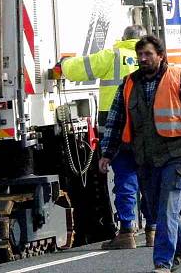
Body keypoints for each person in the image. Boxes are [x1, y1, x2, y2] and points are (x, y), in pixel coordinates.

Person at [99, 35, 181, 273]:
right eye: (140, 55)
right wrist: (107, 153)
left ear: (161, 55)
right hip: (145, 157)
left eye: (148, 54)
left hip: (175, 155)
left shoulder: (178, 79)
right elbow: (115, 121)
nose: (143, 59)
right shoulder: (128, 84)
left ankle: (162, 262)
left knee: (167, 207)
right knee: (154, 208)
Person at [53, 24, 154, 249]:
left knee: (125, 177)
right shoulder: (152, 60)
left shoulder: (113, 55)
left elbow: (80, 68)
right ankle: (152, 231)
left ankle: (127, 232)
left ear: (123, 38)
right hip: (145, 127)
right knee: (148, 178)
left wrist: (63, 65)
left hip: (116, 124)